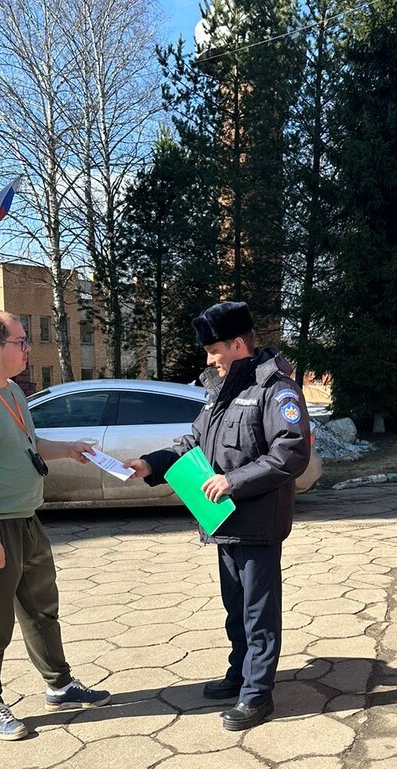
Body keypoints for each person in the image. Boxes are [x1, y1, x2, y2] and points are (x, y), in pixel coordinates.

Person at [126, 301, 310, 732]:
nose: (209, 360)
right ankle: (240, 672)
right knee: (235, 606)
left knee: (258, 610)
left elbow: (291, 452)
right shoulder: (219, 391)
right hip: (223, 522)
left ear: (238, 344)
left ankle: (257, 693)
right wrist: (150, 464)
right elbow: (192, 440)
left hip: (259, 521)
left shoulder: (276, 391)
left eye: (214, 351)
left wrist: (233, 481)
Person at [0, 309, 111, 741]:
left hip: (25, 519)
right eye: (21, 341)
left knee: (41, 609)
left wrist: (68, 449)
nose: (28, 349)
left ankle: (59, 684)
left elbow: (28, 445)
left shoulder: (10, 391)